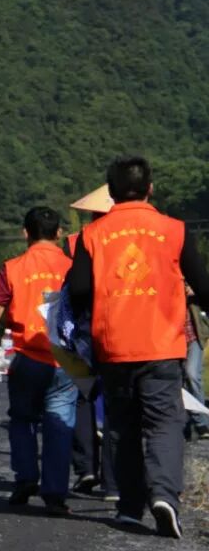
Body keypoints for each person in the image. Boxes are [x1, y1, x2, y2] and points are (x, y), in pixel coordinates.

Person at [68, 156, 209, 539]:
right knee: (165, 422)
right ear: (150, 188)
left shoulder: (92, 236)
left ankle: (131, 507)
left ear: (110, 193)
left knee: (123, 427)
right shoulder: (175, 230)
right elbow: (202, 284)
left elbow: (78, 290)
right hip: (162, 344)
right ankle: (164, 495)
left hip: (113, 346)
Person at [0, 207, 77, 515]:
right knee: (59, 424)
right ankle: (55, 492)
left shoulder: (13, 267)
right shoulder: (72, 266)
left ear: (25, 233)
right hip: (65, 358)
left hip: (27, 355)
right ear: (59, 233)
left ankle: (25, 478)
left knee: (22, 419)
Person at [66, 185, 118, 500]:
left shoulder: (76, 241)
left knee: (83, 397)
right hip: (117, 327)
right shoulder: (124, 240)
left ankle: (86, 467)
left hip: (83, 328)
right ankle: (113, 483)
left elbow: (72, 287)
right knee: (114, 402)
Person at [182, 291, 209, 440]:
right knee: (180, 381)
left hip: (193, 337)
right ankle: (187, 423)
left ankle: (202, 422)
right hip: (174, 340)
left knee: (192, 374)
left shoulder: (190, 280)